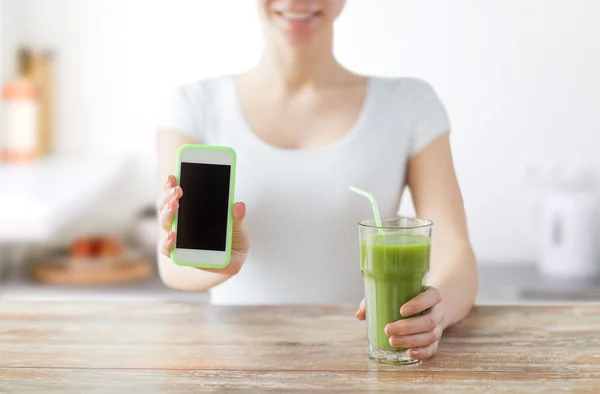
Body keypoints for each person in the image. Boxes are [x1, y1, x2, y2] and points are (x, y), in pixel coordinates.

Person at [156, 0, 478, 361]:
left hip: (364, 362)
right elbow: (170, 262)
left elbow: (455, 251)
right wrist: (220, 264)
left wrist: (436, 312)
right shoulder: (193, 104)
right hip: (233, 367)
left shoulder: (409, 103)